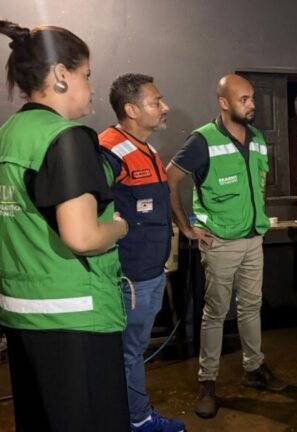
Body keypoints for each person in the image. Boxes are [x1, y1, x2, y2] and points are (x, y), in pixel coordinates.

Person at [0, 20, 129, 431]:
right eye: (87, 75)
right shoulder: (67, 138)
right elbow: (82, 236)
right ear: (61, 74)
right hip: (75, 317)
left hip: (22, 317)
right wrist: (119, 228)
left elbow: (2, 221)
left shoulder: (2, 139)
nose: (91, 88)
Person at [166, 74, 286, 420]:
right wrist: (185, 227)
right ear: (224, 103)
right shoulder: (202, 140)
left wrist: (257, 216)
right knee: (216, 312)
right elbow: (169, 178)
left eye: (252, 98)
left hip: (253, 238)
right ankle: (207, 382)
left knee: (251, 307)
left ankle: (254, 368)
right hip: (220, 242)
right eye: (244, 99)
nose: (252, 105)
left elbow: (259, 182)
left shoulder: (258, 138)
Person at [99, 74, 186, 432]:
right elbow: (89, 209)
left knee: (131, 351)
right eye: (156, 102)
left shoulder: (147, 150)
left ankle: (134, 416)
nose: (165, 107)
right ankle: (138, 420)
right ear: (131, 110)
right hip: (129, 277)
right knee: (128, 352)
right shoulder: (109, 149)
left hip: (150, 272)